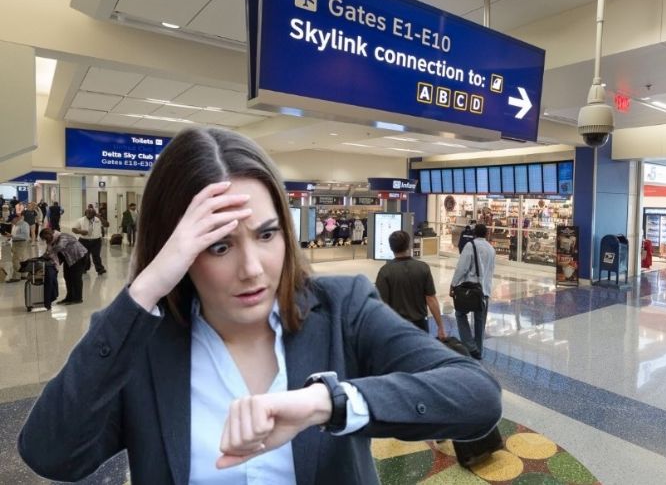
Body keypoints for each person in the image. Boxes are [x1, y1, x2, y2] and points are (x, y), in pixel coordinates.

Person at [18, 127, 500, 484]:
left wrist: (326, 404)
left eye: (267, 235)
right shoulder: (143, 346)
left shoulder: (341, 310)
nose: (252, 269)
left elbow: (476, 395)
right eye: (219, 245)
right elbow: (50, 453)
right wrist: (144, 290)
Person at [375, 230, 446, 338]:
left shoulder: (385, 272)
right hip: (420, 326)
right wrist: (440, 327)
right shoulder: (423, 268)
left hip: (396, 327)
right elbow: (431, 299)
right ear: (409, 245)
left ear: (391, 248)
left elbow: (381, 305)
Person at [450, 223, 496, 359]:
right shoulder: (491, 249)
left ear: (474, 233)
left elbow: (462, 268)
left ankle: (470, 345)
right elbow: (491, 271)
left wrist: (453, 284)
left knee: (460, 314)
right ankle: (478, 351)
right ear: (487, 234)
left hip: (470, 290)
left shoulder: (470, 246)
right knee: (480, 322)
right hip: (484, 291)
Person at [38, 228, 88, 304]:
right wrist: (43, 257)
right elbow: (49, 251)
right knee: (67, 277)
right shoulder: (52, 241)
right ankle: (69, 298)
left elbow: (59, 247)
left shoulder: (62, 236)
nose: (46, 240)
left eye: (46, 238)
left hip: (79, 257)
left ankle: (78, 298)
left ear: (49, 234)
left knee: (76, 278)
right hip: (69, 259)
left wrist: (48, 253)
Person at [72, 207, 107, 275]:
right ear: (86, 213)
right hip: (84, 241)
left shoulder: (98, 219)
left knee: (96, 255)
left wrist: (100, 218)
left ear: (94, 214)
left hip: (96, 241)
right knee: (85, 256)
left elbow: (107, 225)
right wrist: (80, 231)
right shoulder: (81, 220)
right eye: (89, 213)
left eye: (92, 213)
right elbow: (73, 229)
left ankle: (100, 269)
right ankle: (84, 268)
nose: (90, 215)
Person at [4, 214, 30, 283]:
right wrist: (9, 237)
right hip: (15, 243)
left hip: (21, 244)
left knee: (16, 260)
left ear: (16, 218)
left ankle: (16, 277)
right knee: (22, 260)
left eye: (12, 220)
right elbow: (14, 235)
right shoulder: (15, 225)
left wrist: (12, 235)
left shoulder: (24, 224)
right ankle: (23, 275)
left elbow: (25, 236)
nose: (11, 222)